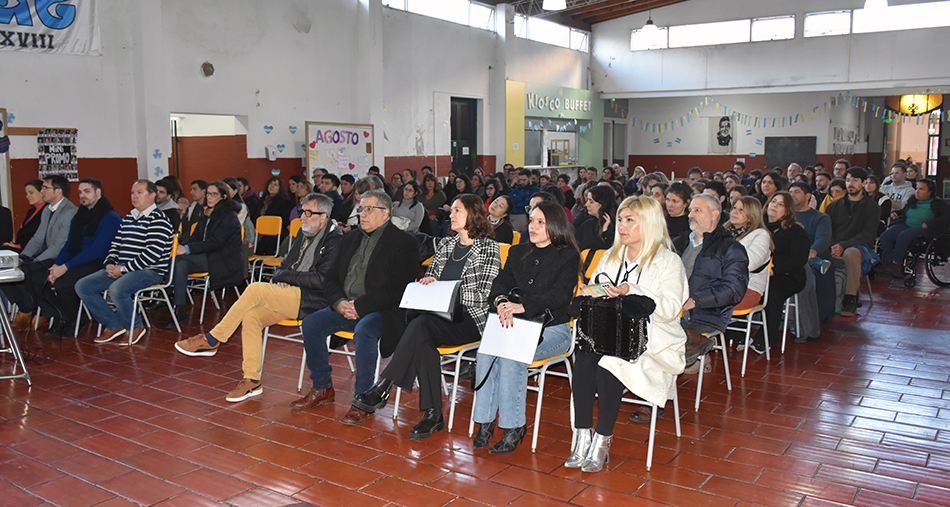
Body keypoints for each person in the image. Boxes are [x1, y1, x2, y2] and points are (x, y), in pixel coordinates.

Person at [350, 194, 501, 438]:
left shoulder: (488, 248)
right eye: (451, 210)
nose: (450, 215)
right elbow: (431, 276)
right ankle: (432, 414)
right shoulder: (445, 245)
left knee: (422, 327)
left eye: (457, 211)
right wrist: (429, 283)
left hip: (470, 318)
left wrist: (447, 290)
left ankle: (384, 386)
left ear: (473, 214)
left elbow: (483, 295)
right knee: (423, 336)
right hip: (437, 317)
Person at [174, 193, 344, 402]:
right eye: (302, 212)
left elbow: (321, 280)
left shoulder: (336, 240)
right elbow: (283, 264)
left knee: (255, 290)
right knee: (252, 317)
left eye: (309, 213)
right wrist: (282, 276)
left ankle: (212, 339)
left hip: (314, 301)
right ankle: (252, 380)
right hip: (292, 294)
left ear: (324, 217)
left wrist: (286, 277)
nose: (303, 217)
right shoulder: (303, 233)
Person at [566, 195, 688, 473]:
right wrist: (591, 291)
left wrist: (631, 290)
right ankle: (582, 434)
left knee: (610, 363)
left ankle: (602, 439)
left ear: (649, 224)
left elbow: (670, 309)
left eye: (629, 220)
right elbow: (600, 287)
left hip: (653, 340)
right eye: (620, 219)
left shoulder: (669, 261)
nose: (621, 225)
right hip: (611, 332)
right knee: (584, 359)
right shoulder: (612, 255)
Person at [293, 190, 419, 422]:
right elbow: (331, 276)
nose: (363, 214)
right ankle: (322, 387)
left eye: (369, 209)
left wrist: (360, 306)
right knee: (311, 323)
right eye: (361, 208)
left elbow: (398, 288)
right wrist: (339, 302)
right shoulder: (349, 238)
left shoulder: (404, 242)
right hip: (346, 306)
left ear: (386, 213)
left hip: (383, 310)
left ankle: (363, 398)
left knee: (364, 331)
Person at [472, 201, 579, 454]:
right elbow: (499, 284)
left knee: (511, 358)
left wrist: (523, 306)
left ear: (555, 225)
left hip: (553, 329)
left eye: (541, 222)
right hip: (516, 327)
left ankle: (513, 427)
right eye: (532, 221)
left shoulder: (568, 255)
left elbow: (560, 296)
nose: (533, 227)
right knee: (487, 352)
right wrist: (500, 302)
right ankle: (485, 422)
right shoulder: (518, 252)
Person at [75, 180, 174, 345]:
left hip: (149, 271)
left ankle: (135, 326)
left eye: (139, 192)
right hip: (122, 269)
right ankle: (114, 324)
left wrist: (124, 269)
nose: (134, 196)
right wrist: (110, 263)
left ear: (152, 195)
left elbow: (152, 254)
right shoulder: (129, 218)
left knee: (117, 289)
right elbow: (115, 245)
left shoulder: (159, 220)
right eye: (132, 193)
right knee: (83, 286)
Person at [672, 193, 749, 373]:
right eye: (690, 210)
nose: (690, 215)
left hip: (704, 313)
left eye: (697, 210)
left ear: (714, 215)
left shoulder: (731, 248)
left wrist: (695, 300)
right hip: (672, 308)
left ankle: (694, 347)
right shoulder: (678, 242)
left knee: (657, 334)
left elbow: (733, 289)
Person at [39, 179, 122, 338]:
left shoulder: (110, 218)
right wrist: (56, 265)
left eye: (87, 191)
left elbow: (97, 251)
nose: (82, 195)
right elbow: (69, 246)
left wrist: (65, 267)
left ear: (98, 193)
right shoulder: (79, 216)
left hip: (99, 263)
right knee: (41, 277)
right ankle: (62, 317)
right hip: (79, 260)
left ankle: (76, 320)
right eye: (80, 192)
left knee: (63, 283)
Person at [5, 175, 79, 330]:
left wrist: (35, 261)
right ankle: (42, 309)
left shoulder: (69, 212)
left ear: (58, 191)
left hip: (60, 257)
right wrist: (23, 257)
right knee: (17, 269)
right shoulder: (47, 210)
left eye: (46, 188)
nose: (42, 191)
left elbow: (59, 245)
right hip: (46, 256)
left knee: (32, 272)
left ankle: (51, 311)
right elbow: (37, 239)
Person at [167, 181, 244, 328]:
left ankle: (178, 308)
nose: (209, 197)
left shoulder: (229, 216)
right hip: (209, 255)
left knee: (181, 262)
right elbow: (196, 237)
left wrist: (187, 249)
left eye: (214, 194)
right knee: (176, 258)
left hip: (223, 259)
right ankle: (170, 300)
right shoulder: (207, 212)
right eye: (208, 193)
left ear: (223, 196)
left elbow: (215, 243)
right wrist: (182, 246)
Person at [756, 192, 810, 352]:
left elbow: (798, 260)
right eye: (773, 201)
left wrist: (774, 270)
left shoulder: (795, 231)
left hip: (788, 276)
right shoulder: (758, 226)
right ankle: (736, 335)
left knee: (772, 291)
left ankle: (766, 339)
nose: (775, 205)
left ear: (787, 211)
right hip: (759, 273)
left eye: (781, 204)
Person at [826, 167, 880, 317]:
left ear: (863, 183)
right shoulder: (834, 206)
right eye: (848, 180)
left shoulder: (872, 208)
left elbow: (868, 234)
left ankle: (850, 297)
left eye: (855, 181)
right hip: (835, 246)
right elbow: (827, 230)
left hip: (860, 248)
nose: (851, 184)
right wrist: (833, 246)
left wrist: (843, 246)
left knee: (851, 253)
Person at [722, 196, 772, 351]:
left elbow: (750, 263)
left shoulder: (760, 235)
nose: (734, 211)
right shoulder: (723, 232)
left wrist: (719, 263)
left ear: (752, 215)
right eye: (734, 207)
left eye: (741, 209)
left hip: (747, 288)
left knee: (701, 303)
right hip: (720, 285)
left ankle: (698, 346)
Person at [879, 179, 950, 278]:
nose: (917, 191)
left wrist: (931, 223)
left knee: (903, 236)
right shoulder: (913, 200)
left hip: (925, 229)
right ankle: (888, 263)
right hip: (906, 224)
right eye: (917, 188)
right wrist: (895, 214)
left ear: (930, 192)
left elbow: (947, 216)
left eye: (921, 189)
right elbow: (904, 212)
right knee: (885, 236)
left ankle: (897, 265)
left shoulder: (937, 203)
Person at [789, 181, 833, 336]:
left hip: (811, 255)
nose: (792, 195)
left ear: (808, 196)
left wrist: (812, 251)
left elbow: (823, 238)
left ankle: (810, 320)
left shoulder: (820, 217)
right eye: (791, 192)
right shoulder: (787, 217)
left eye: (796, 192)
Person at [2, 180, 46, 253]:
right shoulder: (31, 211)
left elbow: (40, 236)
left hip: (34, 250)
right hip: (21, 246)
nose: (27, 196)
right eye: (26, 193)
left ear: (42, 192)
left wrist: (17, 246)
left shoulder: (47, 210)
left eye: (31, 193)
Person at [259, 176, 294, 254]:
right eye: (271, 183)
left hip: (275, 231)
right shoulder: (262, 200)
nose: (272, 186)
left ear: (280, 188)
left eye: (275, 185)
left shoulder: (284, 202)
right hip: (260, 230)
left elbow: (283, 220)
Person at [576, 185, 617, 252]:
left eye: (591, 202)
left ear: (602, 204)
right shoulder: (588, 224)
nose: (586, 205)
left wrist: (605, 233)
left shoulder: (617, 226)